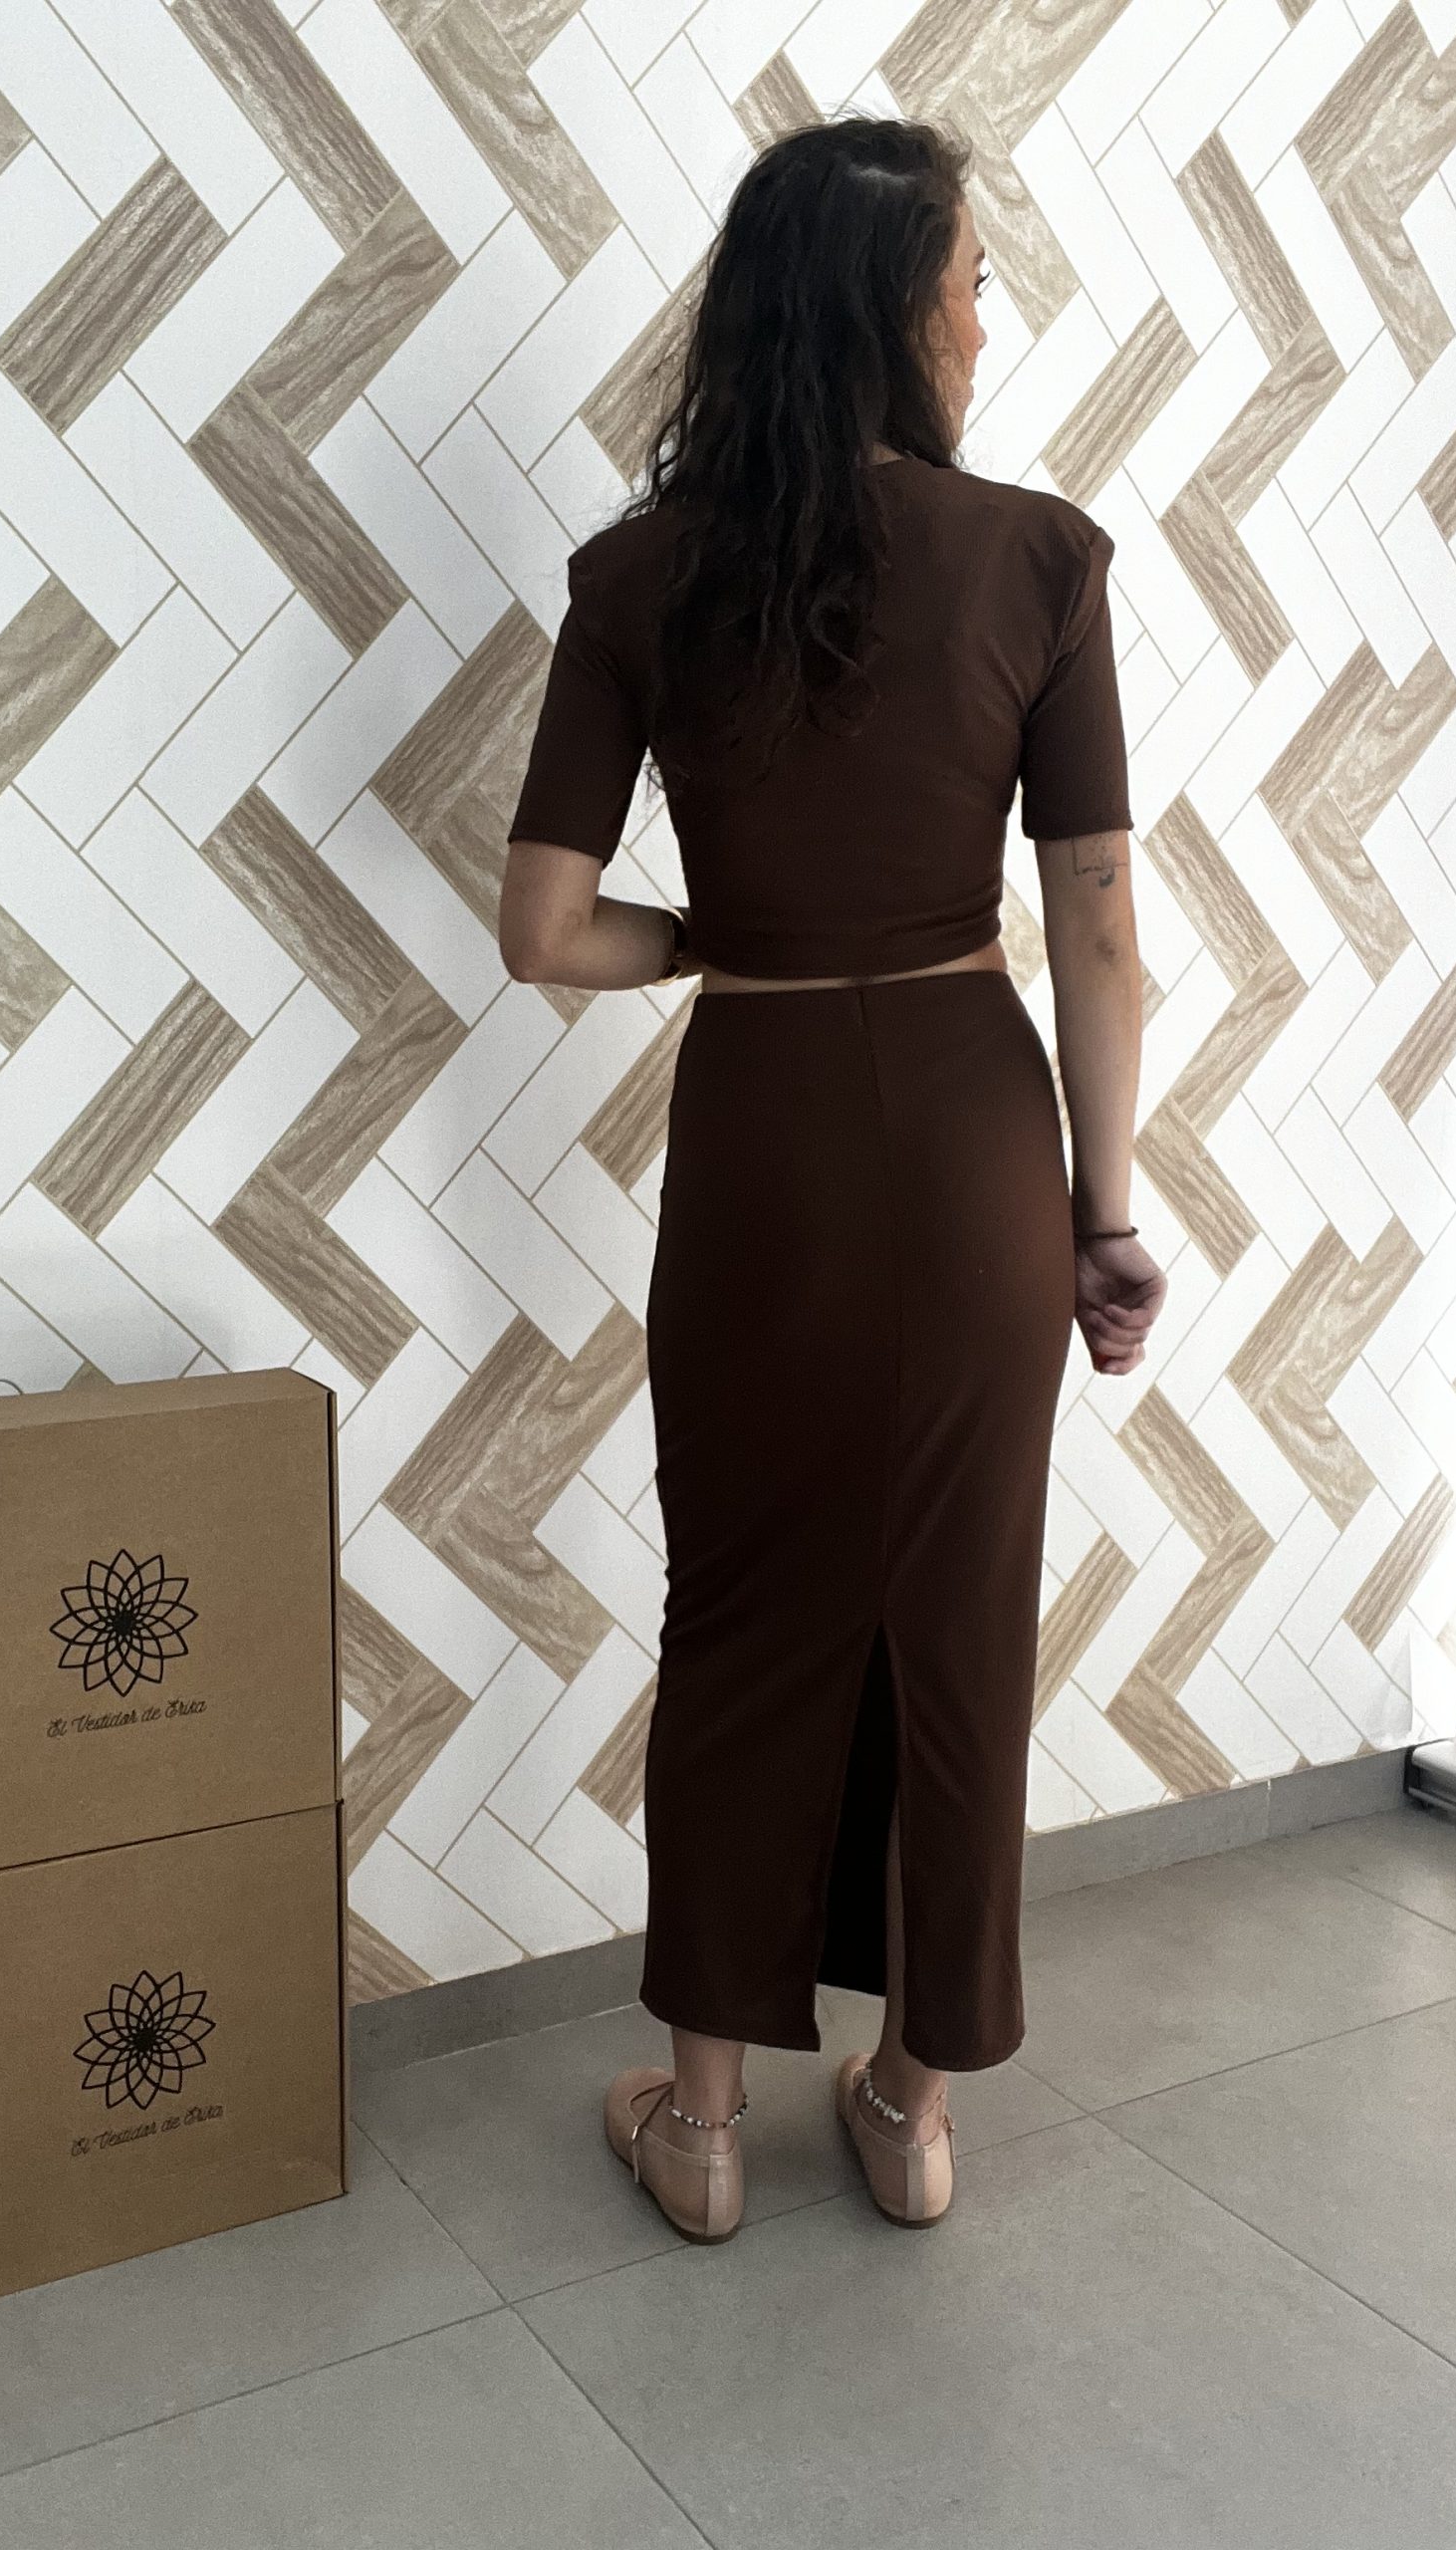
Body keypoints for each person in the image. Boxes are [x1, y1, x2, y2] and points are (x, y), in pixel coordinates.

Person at [497, 115, 1169, 2240]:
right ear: (899, 308)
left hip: (763, 1129)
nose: (986, 316)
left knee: (741, 1608)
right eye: (972, 278)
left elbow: (541, 928)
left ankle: (700, 2127)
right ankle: (909, 2104)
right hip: (975, 1133)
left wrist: (726, 940)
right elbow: (1100, 930)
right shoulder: (1041, 559)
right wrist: (1107, 1211)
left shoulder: (638, 579)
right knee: (957, 1614)